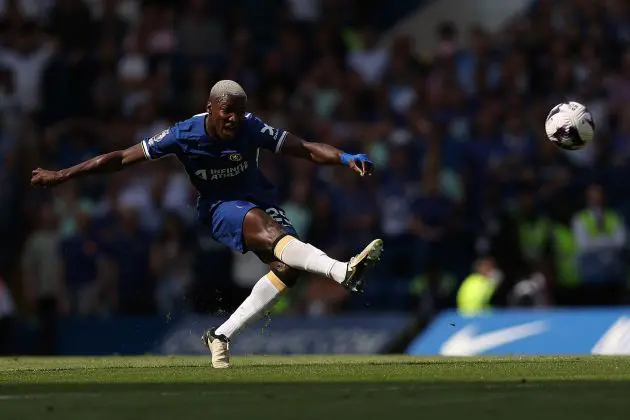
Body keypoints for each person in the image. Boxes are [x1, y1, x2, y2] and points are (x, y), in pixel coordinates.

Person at [31, 80, 383, 368]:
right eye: (227, 112)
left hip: (259, 197)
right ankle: (341, 271)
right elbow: (122, 157)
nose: (234, 119)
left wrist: (345, 157)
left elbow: (303, 147)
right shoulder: (184, 133)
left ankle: (220, 336)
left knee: (286, 267)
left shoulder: (251, 126)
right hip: (220, 206)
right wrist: (63, 174)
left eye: (239, 112)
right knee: (274, 234)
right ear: (210, 107)